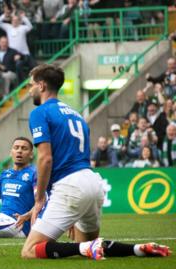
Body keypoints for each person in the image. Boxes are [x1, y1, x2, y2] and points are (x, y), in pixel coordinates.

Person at [23, 64, 170, 260]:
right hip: (93, 182)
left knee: (30, 250)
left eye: (30, 85)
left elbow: (45, 158)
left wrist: (40, 198)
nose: (29, 89)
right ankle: (137, 249)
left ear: (41, 86)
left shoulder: (40, 112)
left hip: (70, 186)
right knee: (90, 247)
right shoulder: (77, 115)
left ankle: (84, 248)